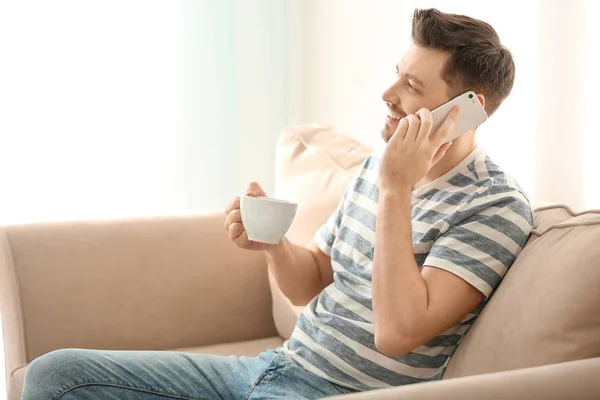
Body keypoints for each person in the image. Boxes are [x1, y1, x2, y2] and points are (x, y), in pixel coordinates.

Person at [21, 8, 533, 400]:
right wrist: (272, 244)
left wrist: (397, 188)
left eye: (412, 85)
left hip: (331, 393)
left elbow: (398, 332)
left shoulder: (493, 206)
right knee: (56, 375)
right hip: (271, 367)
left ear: (467, 112)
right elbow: (310, 282)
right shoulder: (379, 166)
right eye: (396, 74)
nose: (387, 93)